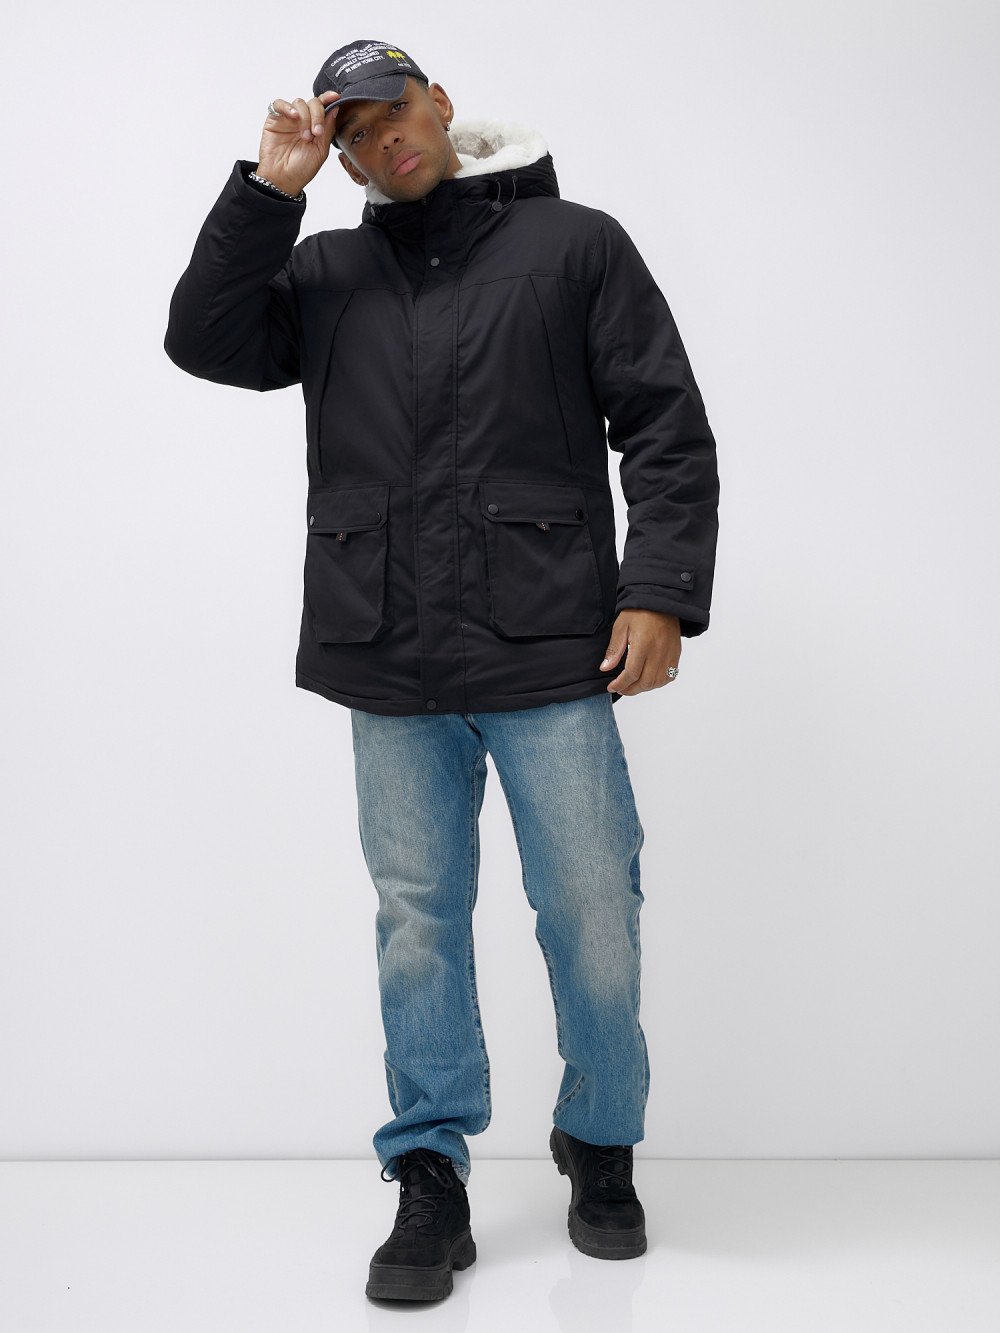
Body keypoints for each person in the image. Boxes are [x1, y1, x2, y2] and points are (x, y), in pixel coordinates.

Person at [164, 38, 719, 1302]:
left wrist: (658, 591)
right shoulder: (325, 269)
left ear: (440, 105)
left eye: (395, 114)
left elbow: (663, 423)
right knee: (417, 921)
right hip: (388, 648)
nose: (383, 141)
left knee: (592, 905)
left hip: (550, 641)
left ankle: (600, 1140)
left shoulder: (575, 245)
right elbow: (203, 339)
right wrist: (270, 189)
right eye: (355, 133)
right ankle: (429, 1169)